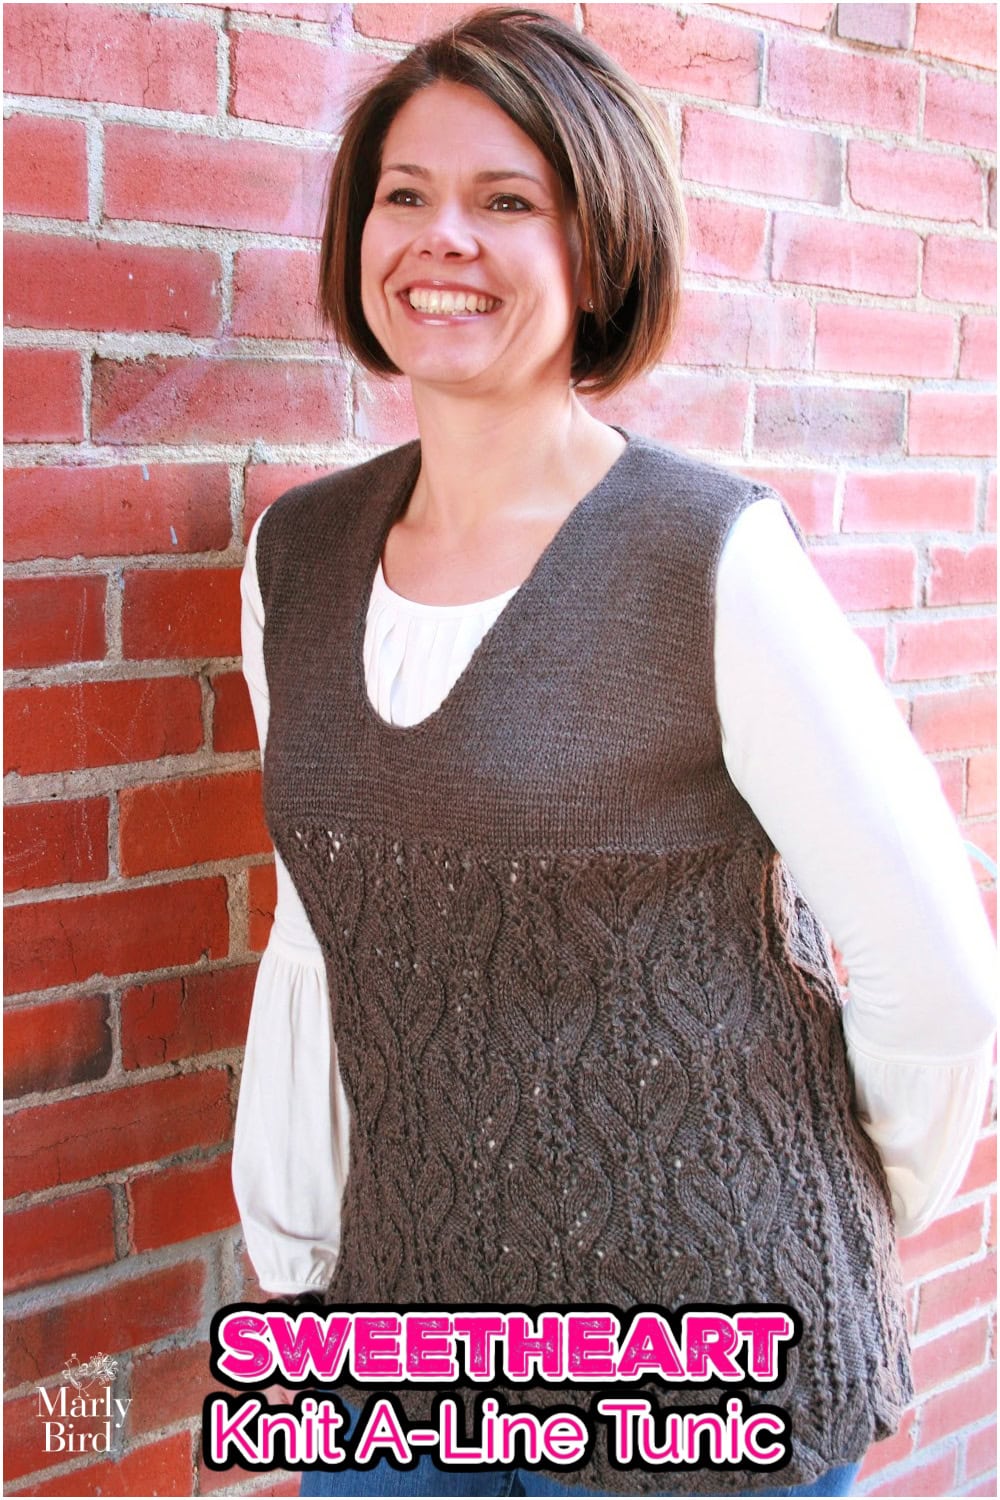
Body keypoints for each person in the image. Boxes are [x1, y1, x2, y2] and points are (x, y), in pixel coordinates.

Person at [231, 9, 997, 1498]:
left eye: (507, 200)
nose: (443, 237)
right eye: (405, 193)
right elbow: (322, 928)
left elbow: (941, 980)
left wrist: (801, 1225)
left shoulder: (706, 556)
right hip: (398, 1344)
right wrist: (300, 1262)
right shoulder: (296, 557)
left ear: (601, 247)